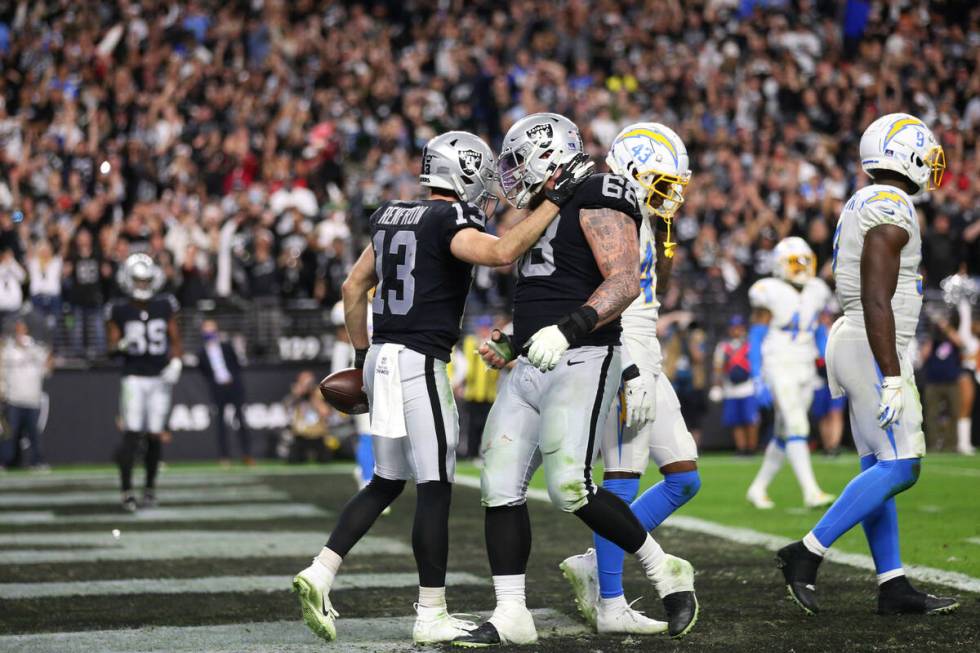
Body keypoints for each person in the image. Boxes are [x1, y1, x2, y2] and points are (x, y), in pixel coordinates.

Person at [292, 129, 594, 646]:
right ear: (465, 172)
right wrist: (555, 199)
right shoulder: (449, 218)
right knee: (434, 489)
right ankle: (430, 611)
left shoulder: (390, 216)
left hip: (382, 356)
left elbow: (352, 287)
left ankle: (320, 572)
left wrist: (362, 358)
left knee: (386, 480)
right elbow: (502, 252)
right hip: (418, 361)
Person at [458, 114, 696, 647]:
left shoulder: (599, 190)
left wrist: (568, 331)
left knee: (570, 486)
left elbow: (624, 282)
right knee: (497, 484)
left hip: (584, 354)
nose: (514, 173)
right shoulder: (553, 201)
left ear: (549, 154)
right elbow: (552, 287)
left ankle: (665, 573)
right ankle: (511, 613)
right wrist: (515, 337)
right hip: (538, 357)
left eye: (520, 161)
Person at [777, 113, 959, 616]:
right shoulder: (889, 206)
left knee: (879, 467)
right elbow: (877, 295)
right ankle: (806, 553)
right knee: (902, 466)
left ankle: (892, 583)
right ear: (906, 154)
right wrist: (894, 373)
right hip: (873, 342)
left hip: (860, 339)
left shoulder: (869, 199)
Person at [556, 122, 700, 638]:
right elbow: (614, 299)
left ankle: (598, 560)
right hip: (622, 352)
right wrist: (630, 368)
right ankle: (610, 601)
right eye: (662, 182)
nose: (671, 194)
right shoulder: (610, 210)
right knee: (621, 477)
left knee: (685, 476)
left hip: (645, 352)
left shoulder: (633, 211)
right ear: (633, 170)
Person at [745, 236, 836, 510]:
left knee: (785, 433)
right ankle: (811, 491)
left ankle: (757, 488)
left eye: (805, 261)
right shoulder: (768, 290)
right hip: (778, 362)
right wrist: (757, 376)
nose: (801, 267)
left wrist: (827, 358)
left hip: (805, 363)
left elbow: (819, 330)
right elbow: (757, 336)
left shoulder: (817, 289)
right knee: (797, 425)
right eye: (795, 262)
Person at [106, 253, 183, 512]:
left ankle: (149, 489)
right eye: (137, 280)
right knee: (132, 433)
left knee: (154, 436)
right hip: (134, 378)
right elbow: (110, 347)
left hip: (159, 377)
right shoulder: (119, 308)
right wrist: (120, 346)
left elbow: (175, 339)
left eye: (145, 280)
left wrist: (176, 362)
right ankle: (127, 490)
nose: (142, 285)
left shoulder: (165, 304)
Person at [196, 319, 253, 466]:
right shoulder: (201, 352)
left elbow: (236, 364)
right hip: (218, 389)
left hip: (233, 386)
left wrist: (232, 379)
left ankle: (247, 455)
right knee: (220, 424)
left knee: (240, 420)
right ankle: (224, 457)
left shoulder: (226, 346)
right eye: (206, 329)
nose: (209, 332)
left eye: (211, 328)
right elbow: (204, 371)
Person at [0, 318, 52, 469]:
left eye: (22, 328)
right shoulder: (8, 349)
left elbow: (47, 367)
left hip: (32, 400)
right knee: (10, 435)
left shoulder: (35, 348)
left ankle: (37, 461)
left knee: (34, 435)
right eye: (17, 329)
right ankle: (5, 462)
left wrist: (46, 353)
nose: (20, 331)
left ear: (26, 330)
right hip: (14, 400)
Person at [711, 314, 759, 455]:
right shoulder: (723, 346)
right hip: (730, 388)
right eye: (733, 327)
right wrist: (716, 385)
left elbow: (757, 364)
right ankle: (741, 448)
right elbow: (718, 367)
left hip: (749, 387)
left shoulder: (751, 344)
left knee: (751, 420)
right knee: (736, 421)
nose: (736, 330)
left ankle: (752, 448)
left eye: (739, 327)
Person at [918, 309, 962, 451]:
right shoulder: (932, 339)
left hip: (952, 381)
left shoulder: (952, 335)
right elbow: (923, 356)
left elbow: (961, 343)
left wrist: (946, 328)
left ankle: (951, 445)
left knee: (953, 414)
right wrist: (932, 335)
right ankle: (932, 445)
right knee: (931, 415)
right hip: (932, 382)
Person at [811, 309, 846, 456]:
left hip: (836, 377)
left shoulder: (838, 332)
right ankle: (827, 446)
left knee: (835, 412)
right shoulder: (814, 333)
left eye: (827, 316)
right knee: (823, 414)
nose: (824, 319)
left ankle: (834, 445)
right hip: (819, 379)